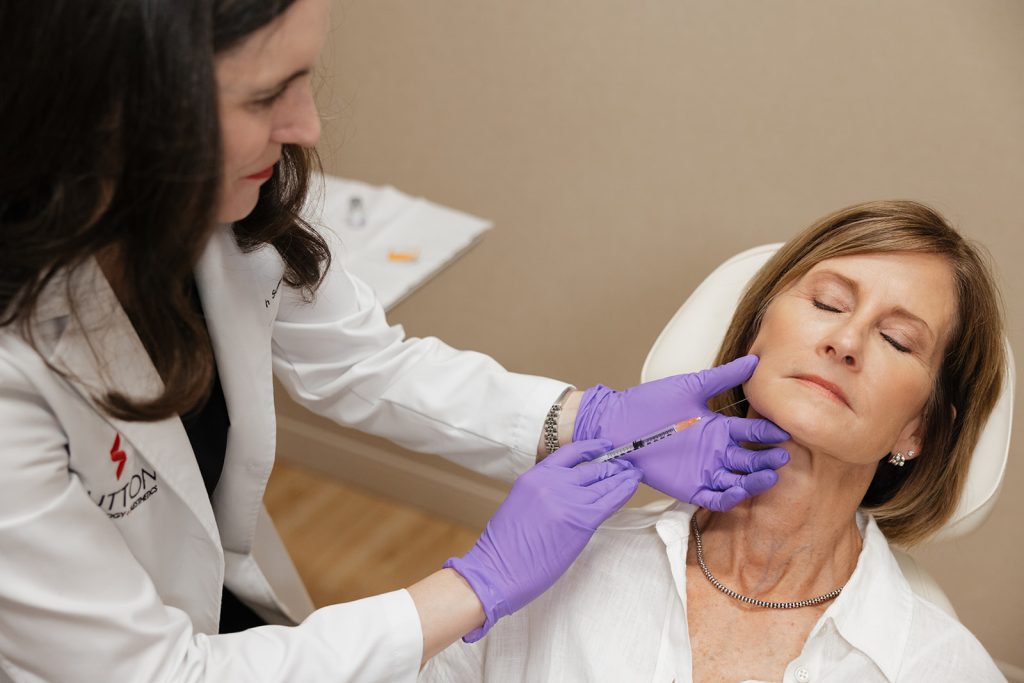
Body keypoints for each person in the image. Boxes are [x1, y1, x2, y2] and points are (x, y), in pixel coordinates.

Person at [0, 1, 791, 681]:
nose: (307, 124)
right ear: (119, 114)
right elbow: (155, 672)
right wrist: (476, 585)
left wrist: (583, 418)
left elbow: (363, 363)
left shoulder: (227, 209)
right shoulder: (15, 374)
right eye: (266, 94)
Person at [420, 200, 1009, 682]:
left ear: (919, 430)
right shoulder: (559, 567)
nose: (846, 339)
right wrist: (476, 587)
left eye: (899, 340)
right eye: (828, 303)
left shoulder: (942, 668)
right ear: (756, 332)